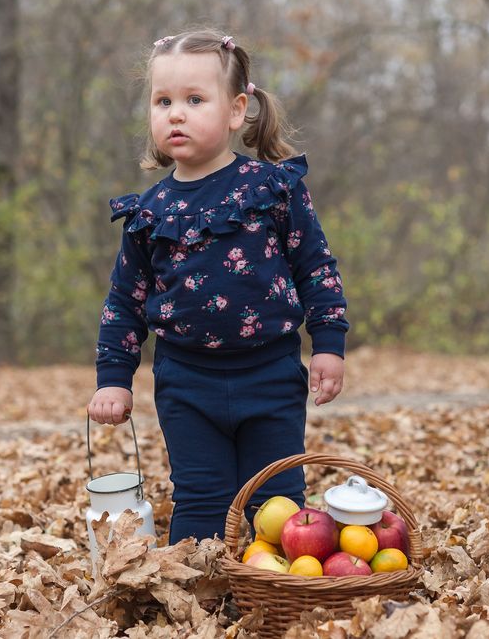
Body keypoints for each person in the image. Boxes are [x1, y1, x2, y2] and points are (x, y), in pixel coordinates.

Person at [87, 28, 349, 545]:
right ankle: (199, 601)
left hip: (271, 373)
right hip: (186, 381)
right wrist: (113, 378)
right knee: (201, 499)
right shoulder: (149, 214)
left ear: (236, 110)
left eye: (194, 99)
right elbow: (124, 301)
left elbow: (315, 266)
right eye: (163, 101)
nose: (175, 113)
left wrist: (329, 345)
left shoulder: (272, 190)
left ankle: (274, 596)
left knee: (276, 502)